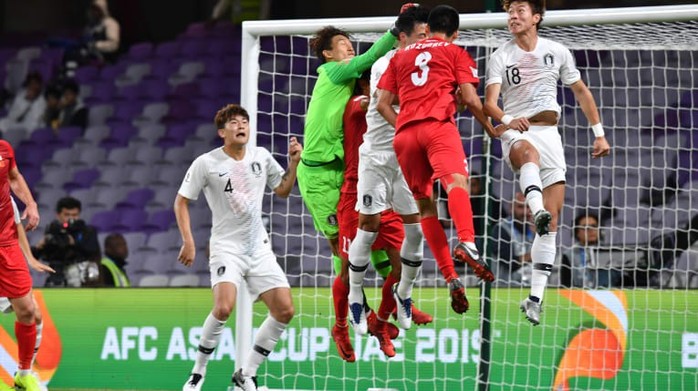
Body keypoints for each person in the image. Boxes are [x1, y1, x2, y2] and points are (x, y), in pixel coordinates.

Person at [483, 0, 611, 325]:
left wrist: (599, 134)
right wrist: (509, 120)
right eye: (509, 13)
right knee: (527, 155)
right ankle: (535, 209)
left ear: (536, 17)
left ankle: (535, 298)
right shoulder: (500, 56)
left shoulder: (557, 51)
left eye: (519, 11)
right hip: (516, 131)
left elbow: (581, 91)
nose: (512, 17)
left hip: (550, 134)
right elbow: (489, 104)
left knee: (552, 223)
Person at [377, 5, 501, 316]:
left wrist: (406, 123)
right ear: (455, 32)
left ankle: (450, 277)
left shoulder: (401, 55)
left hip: (405, 136)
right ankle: (468, 243)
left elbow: (382, 103)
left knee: (425, 205)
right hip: (437, 127)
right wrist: (490, 128)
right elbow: (471, 99)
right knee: (456, 182)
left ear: (428, 27)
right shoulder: (455, 52)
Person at [175, 104, 301, 391]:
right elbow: (181, 201)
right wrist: (189, 240)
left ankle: (246, 373)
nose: (241, 125)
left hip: (258, 248)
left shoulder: (261, 156)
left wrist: (293, 164)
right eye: (234, 122)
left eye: (245, 121)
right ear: (222, 132)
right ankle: (197, 374)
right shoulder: (206, 163)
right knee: (223, 307)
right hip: (226, 248)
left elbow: (282, 190)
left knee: (285, 310)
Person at [296, 4, 414, 291]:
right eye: (342, 45)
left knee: (367, 233)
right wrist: (398, 27)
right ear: (327, 53)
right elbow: (371, 56)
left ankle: (391, 302)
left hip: (341, 171)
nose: (349, 49)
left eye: (350, 45)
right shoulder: (332, 72)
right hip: (318, 175)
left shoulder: (348, 85)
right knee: (340, 246)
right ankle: (348, 311)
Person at [336, 68, 432, 360]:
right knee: (347, 269)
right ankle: (340, 326)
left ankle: (381, 321)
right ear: (367, 82)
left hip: (391, 192)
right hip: (356, 191)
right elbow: (371, 103)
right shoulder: (357, 104)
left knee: (401, 265)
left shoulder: (400, 101)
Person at [346, 5, 430, 335]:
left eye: (428, 34)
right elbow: (383, 106)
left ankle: (404, 293)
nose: (426, 40)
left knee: (416, 230)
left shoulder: (427, 64)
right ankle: (355, 295)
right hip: (378, 156)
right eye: (421, 35)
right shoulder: (385, 63)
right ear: (402, 37)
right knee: (369, 225)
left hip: (406, 159)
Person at [0, 139, 42, 390]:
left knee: (28, 310)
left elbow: (14, 176)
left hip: (5, 243)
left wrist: (31, 203)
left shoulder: (4, 148)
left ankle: (24, 374)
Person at [0, 197, 54, 391]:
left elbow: (15, 225)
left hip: (5, 262)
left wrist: (30, 258)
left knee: (32, 313)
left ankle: (24, 374)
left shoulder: (4, 194)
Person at [33, 196, 101, 287]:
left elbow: (93, 250)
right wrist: (40, 246)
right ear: (58, 215)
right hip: (55, 274)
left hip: (79, 276)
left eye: (74, 215)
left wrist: (73, 243)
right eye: (67, 215)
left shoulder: (86, 231)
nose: (71, 219)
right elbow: (36, 257)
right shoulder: (53, 231)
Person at [489, 192, 535, 286]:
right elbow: (510, 263)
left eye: (528, 207)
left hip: (528, 288)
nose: (525, 212)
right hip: (502, 289)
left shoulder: (533, 230)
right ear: (511, 208)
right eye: (520, 207)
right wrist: (534, 254)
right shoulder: (500, 229)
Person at [0, 71, 46, 136]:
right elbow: (13, 113)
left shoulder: (42, 100)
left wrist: (31, 101)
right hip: (16, 122)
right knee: (2, 123)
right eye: (31, 83)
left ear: (40, 85)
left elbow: (36, 119)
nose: (33, 86)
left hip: (31, 126)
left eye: (35, 84)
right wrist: (26, 100)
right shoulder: (21, 95)